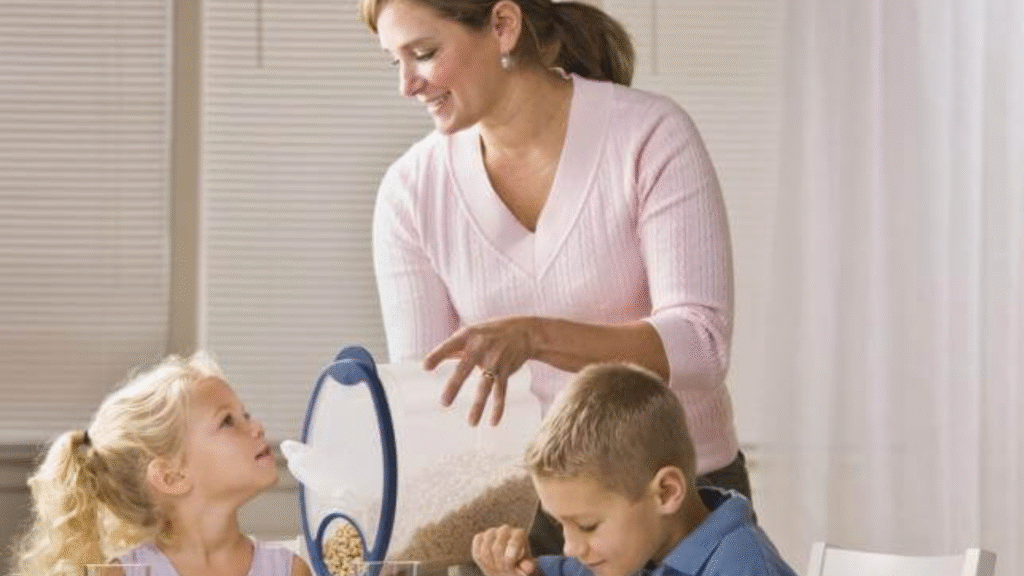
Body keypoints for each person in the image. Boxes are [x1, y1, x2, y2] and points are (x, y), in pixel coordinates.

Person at [361, 0, 751, 554]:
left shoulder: (649, 137)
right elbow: (432, 398)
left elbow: (701, 348)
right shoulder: (410, 192)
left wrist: (536, 337)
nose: (407, 85)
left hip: (675, 503)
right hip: (526, 523)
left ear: (502, 25)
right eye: (392, 62)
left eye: (423, 54)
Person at [472, 363, 797, 576]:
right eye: (560, 526)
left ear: (666, 492)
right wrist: (509, 564)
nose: (570, 548)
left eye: (587, 525)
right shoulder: (630, 552)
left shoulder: (745, 567)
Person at [12, 352, 311, 576]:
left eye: (244, 414)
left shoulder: (288, 569)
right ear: (171, 476)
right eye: (227, 421)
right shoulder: (124, 574)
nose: (256, 426)